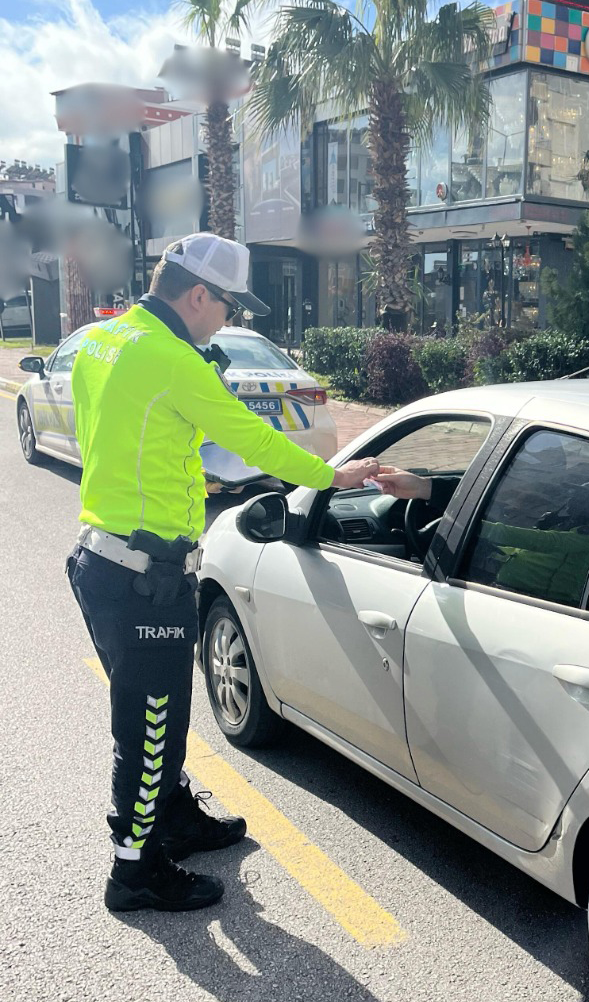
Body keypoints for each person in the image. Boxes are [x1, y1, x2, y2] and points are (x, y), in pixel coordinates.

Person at [66, 233, 423, 916]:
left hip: (102, 560)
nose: (229, 321)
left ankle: (172, 818)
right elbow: (253, 439)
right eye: (229, 308)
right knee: (151, 729)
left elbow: (115, 434)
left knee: (153, 717)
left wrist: (171, 473)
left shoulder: (104, 340)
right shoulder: (174, 360)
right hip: (144, 578)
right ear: (199, 295)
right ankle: (135, 872)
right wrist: (333, 476)